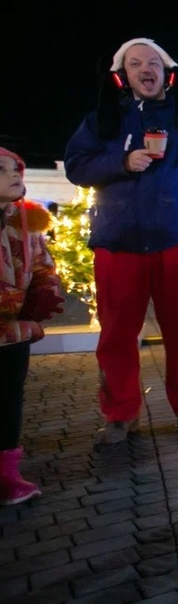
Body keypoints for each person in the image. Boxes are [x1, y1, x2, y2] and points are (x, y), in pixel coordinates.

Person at [64, 38, 178, 447]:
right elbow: (76, 166)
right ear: (124, 74)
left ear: (166, 71)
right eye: (135, 63)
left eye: (152, 62)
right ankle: (120, 415)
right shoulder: (102, 121)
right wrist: (121, 162)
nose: (144, 69)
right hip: (118, 243)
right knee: (116, 334)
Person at [0, 148, 65, 505]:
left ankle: (7, 476)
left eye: (17, 169)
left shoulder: (27, 224)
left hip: (14, 335)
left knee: (9, 400)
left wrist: (44, 287)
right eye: (2, 169)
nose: (14, 174)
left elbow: (42, 264)